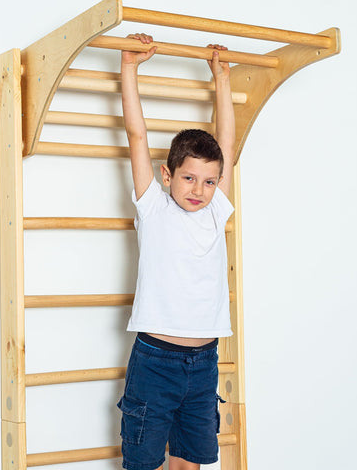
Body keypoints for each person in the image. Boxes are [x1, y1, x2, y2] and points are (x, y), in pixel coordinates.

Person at [117, 33, 235, 470]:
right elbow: (136, 133)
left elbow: (226, 139)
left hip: (204, 363)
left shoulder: (214, 210)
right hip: (156, 360)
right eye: (188, 179)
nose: (199, 190)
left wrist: (221, 78)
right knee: (144, 463)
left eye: (208, 181)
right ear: (168, 175)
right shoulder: (153, 207)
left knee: (190, 463)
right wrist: (129, 68)